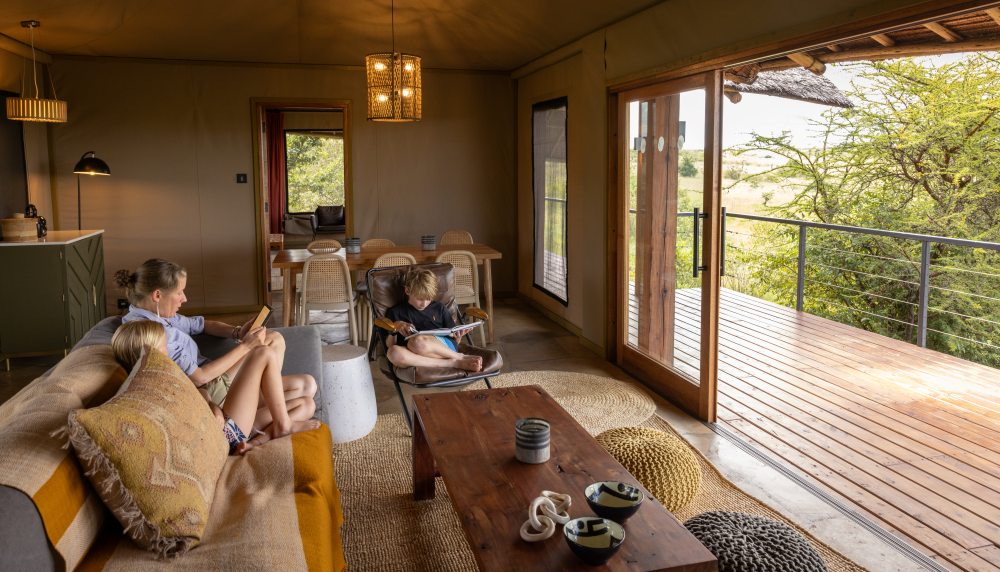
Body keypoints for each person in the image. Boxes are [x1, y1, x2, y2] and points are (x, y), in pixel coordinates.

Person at [115, 258, 317, 431]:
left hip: (213, 382)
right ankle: (265, 413)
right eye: (179, 292)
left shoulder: (160, 316)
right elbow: (198, 378)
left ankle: (257, 404)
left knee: (305, 384)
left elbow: (200, 324)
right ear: (157, 295)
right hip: (209, 384)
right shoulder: (152, 334)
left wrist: (237, 332)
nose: (184, 299)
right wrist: (245, 346)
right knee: (270, 348)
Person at [111, 320, 319, 454]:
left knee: (307, 405)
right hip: (224, 435)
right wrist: (213, 409)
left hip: (227, 422)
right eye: (163, 347)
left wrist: (211, 405)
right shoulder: (153, 385)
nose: (168, 350)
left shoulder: (163, 374)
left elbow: (198, 392)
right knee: (262, 353)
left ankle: (260, 441)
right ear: (150, 354)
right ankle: (283, 426)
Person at [384, 268, 483, 372]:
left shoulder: (439, 308)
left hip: (442, 349)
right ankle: (454, 362)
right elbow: (390, 345)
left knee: (417, 341)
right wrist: (396, 327)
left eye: (428, 299)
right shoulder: (395, 312)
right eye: (420, 299)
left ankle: (459, 357)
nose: (424, 304)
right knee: (392, 353)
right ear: (407, 290)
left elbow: (454, 341)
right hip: (414, 353)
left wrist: (459, 336)